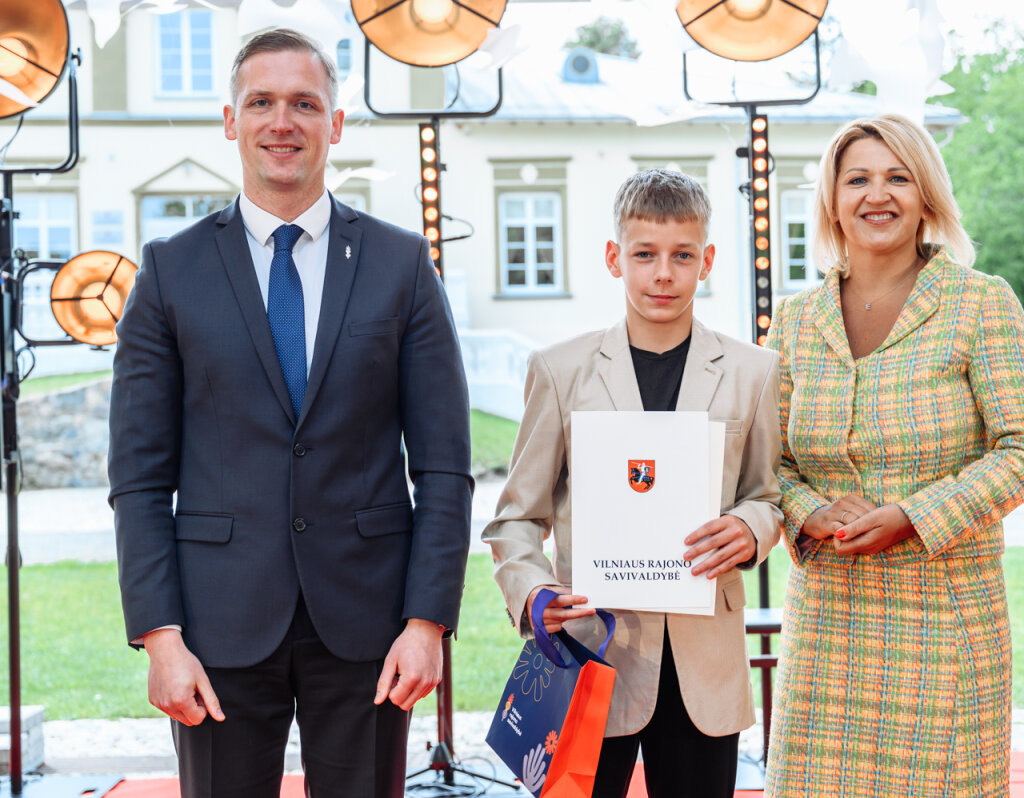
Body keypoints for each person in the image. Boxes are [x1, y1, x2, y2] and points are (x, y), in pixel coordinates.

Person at [108, 28, 473, 797]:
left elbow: (444, 468)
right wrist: (160, 638)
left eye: (304, 104)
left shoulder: (402, 265)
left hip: (372, 625)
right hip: (216, 627)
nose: (283, 122)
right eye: (261, 102)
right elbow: (138, 478)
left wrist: (427, 623)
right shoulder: (170, 270)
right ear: (230, 120)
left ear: (334, 123)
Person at [763, 113, 1024, 797]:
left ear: (926, 196)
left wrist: (913, 516)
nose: (878, 194)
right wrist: (807, 512)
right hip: (827, 622)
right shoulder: (796, 319)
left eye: (898, 177)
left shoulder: (979, 303)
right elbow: (766, 462)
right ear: (832, 200)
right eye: (858, 179)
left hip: (943, 622)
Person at [483, 169, 783, 798]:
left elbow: (767, 494)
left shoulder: (753, 372)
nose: (663, 274)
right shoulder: (560, 370)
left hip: (704, 663)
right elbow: (516, 518)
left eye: (682, 256)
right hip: (591, 650)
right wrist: (533, 591)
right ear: (614, 258)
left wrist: (750, 528)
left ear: (707, 261)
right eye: (645, 254)